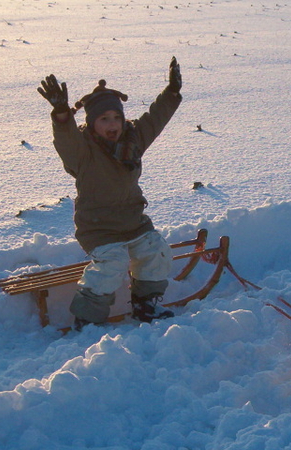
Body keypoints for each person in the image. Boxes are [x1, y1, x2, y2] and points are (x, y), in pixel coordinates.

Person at [38, 57, 182, 330]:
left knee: (157, 252)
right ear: (92, 124)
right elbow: (66, 139)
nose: (112, 123)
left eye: (117, 116)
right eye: (104, 119)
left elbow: (156, 118)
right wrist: (61, 114)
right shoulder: (83, 152)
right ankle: (88, 319)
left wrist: (172, 93)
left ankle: (145, 304)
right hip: (98, 227)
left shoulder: (133, 140)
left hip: (133, 221)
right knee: (112, 265)